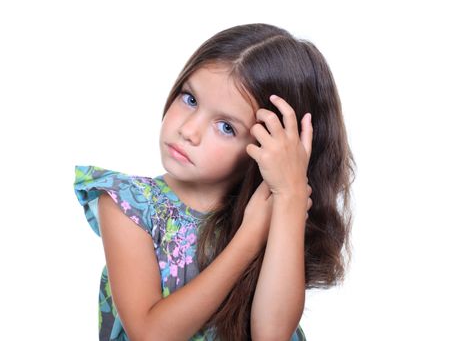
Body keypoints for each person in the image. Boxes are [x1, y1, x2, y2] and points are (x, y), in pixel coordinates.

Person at [74, 23, 355, 341]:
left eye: (226, 127)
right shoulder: (128, 205)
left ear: (266, 150)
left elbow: (272, 334)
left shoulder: (277, 210)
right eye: (190, 99)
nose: (189, 130)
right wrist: (249, 237)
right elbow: (150, 334)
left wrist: (290, 196)